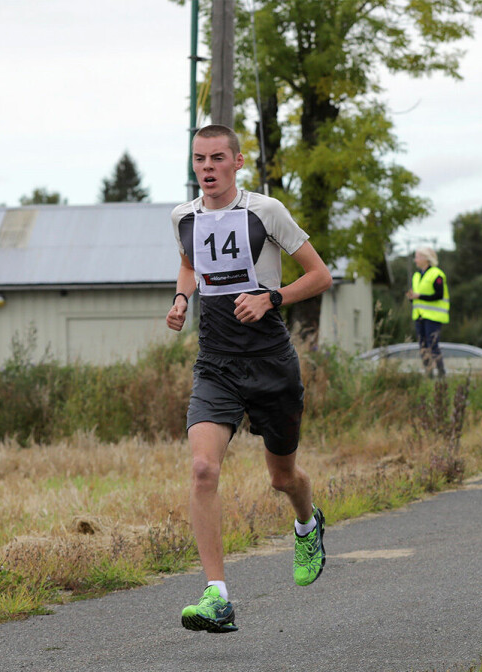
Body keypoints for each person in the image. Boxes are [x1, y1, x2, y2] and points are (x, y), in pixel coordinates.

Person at [166, 124, 333, 634]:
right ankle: (217, 596)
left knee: (283, 478)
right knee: (201, 469)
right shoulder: (183, 217)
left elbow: (321, 275)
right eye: (199, 159)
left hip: (269, 363)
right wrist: (180, 299)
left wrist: (271, 297)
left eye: (218, 158)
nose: (207, 167)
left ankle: (307, 522)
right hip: (215, 363)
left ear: (238, 162)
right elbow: (190, 265)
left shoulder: (266, 211)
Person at [406, 247, 449, 377]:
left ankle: (441, 374)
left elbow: (439, 295)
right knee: (423, 347)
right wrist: (412, 298)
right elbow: (417, 297)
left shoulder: (437, 274)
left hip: (433, 316)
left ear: (426, 259)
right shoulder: (417, 275)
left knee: (433, 346)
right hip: (419, 315)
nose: (415, 260)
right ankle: (429, 374)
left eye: (418, 257)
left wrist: (419, 296)